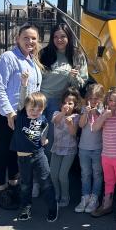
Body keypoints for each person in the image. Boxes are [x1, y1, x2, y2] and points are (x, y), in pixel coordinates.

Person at [0, 23, 43, 209]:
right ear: (17, 39)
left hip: (22, 115)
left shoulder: (33, 60)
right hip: (4, 115)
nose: (30, 41)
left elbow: (34, 90)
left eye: (33, 38)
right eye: (26, 37)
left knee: (14, 153)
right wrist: (9, 112)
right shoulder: (8, 57)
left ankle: (13, 187)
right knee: (2, 152)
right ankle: (1, 192)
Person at [10, 71, 58, 222]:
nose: (35, 111)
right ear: (26, 107)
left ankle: (52, 207)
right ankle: (26, 208)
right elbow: (23, 99)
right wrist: (24, 84)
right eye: (32, 108)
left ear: (43, 109)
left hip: (38, 155)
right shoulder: (22, 115)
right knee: (25, 185)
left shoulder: (43, 119)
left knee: (46, 182)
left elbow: (44, 132)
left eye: (39, 109)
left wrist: (44, 140)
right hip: (23, 158)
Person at [40, 23, 88, 159]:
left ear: (69, 37)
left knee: (51, 135)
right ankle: (33, 169)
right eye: (55, 37)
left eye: (63, 36)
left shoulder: (77, 55)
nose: (59, 39)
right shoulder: (44, 53)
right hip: (39, 100)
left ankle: (47, 171)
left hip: (57, 101)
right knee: (36, 134)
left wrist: (75, 77)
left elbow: (81, 83)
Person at [91, 87, 116, 221]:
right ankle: (106, 206)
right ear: (107, 101)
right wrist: (103, 116)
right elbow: (94, 128)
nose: (113, 103)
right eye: (111, 100)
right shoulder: (105, 112)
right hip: (106, 155)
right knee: (108, 180)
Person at [75, 84, 105, 214]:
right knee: (85, 174)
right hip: (84, 148)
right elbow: (81, 125)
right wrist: (86, 113)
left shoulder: (103, 110)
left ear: (101, 99)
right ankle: (85, 197)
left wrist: (97, 112)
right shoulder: (84, 109)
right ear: (87, 98)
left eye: (96, 98)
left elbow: (104, 126)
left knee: (97, 174)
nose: (93, 101)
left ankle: (95, 198)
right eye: (91, 98)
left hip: (98, 148)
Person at [50, 87, 81, 207]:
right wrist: (63, 113)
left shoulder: (76, 117)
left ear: (75, 105)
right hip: (56, 147)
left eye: (70, 103)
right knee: (53, 174)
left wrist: (70, 124)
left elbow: (73, 133)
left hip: (69, 149)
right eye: (64, 102)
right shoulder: (57, 113)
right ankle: (56, 194)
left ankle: (65, 196)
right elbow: (55, 121)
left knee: (63, 175)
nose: (66, 105)